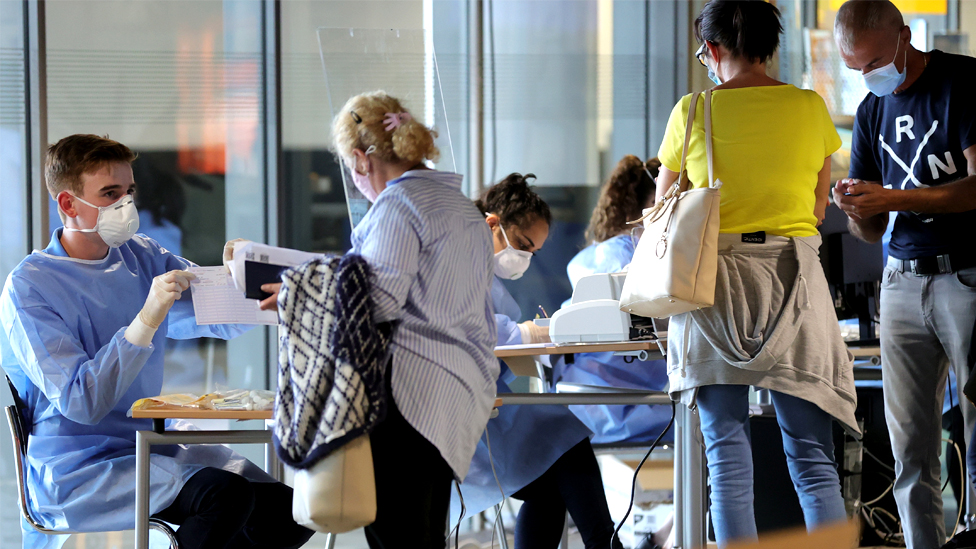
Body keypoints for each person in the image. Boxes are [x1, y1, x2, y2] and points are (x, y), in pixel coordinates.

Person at [0, 134, 313, 549]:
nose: (125, 205)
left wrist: (252, 279)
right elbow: (82, 402)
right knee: (225, 499)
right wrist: (146, 317)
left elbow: (216, 315)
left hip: (148, 445)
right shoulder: (29, 287)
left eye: (129, 191)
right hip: (77, 469)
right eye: (110, 194)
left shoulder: (141, 256)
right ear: (68, 204)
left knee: (289, 514)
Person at [656, 2, 857, 546]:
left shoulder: (692, 112)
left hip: (712, 287)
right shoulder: (810, 107)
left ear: (713, 50)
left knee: (726, 463)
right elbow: (818, 209)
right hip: (794, 282)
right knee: (813, 460)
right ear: (770, 49)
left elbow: (664, 212)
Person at [261, 91, 498, 549]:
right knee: (424, 534)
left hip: (409, 394)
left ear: (360, 159)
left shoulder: (397, 206)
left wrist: (299, 290)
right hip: (460, 391)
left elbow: (381, 301)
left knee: (398, 537)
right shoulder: (463, 209)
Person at [832, 2, 976, 547]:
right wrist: (858, 209)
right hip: (900, 281)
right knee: (908, 443)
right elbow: (872, 231)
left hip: (965, 276)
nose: (869, 78)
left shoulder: (962, 81)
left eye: (873, 62)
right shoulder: (872, 109)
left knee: (973, 422)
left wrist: (895, 195)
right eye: (856, 70)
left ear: (903, 38)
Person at [454, 174, 622, 549]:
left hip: (484, 409)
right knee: (564, 438)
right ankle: (605, 545)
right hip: (465, 421)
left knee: (554, 472)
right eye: (523, 245)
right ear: (492, 223)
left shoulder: (480, 271)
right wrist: (536, 333)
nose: (526, 258)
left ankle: (605, 544)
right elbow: (480, 330)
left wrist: (534, 333)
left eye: (534, 252)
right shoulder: (459, 265)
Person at [555, 155, 674, 445]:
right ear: (647, 206)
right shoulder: (629, 254)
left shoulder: (603, 253)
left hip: (594, 397)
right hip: (619, 405)